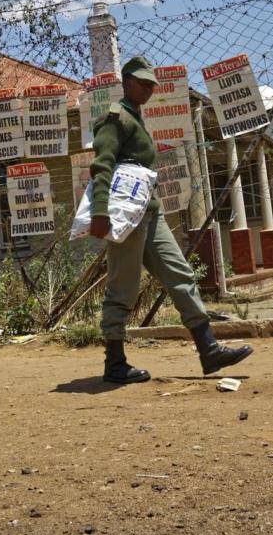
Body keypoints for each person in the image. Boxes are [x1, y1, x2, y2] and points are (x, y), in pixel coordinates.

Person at [89, 56, 254, 384]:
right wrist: (100, 213)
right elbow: (102, 165)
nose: (149, 88)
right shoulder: (115, 118)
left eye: (152, 84)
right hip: (125, 217)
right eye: (142, 83)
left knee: (180, 275)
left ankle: (208, 350)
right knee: (123, 287)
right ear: (126, 81)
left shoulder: (136, 119)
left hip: (150, 213)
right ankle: (115, 362)